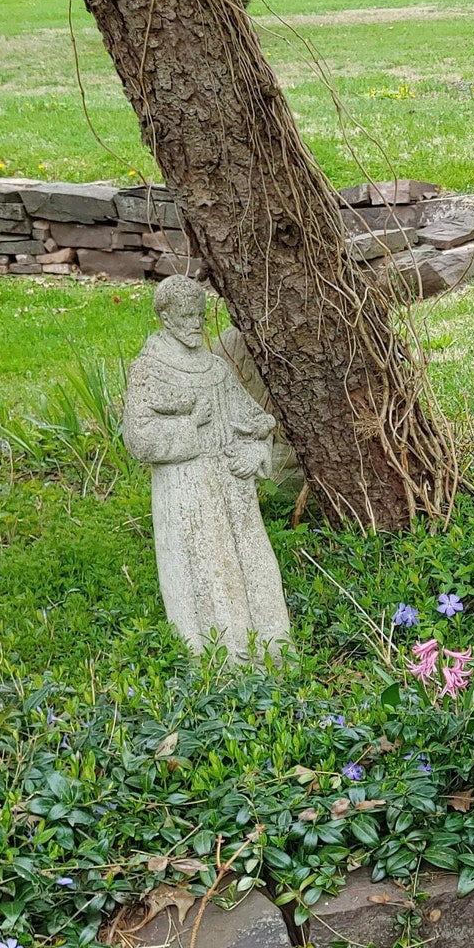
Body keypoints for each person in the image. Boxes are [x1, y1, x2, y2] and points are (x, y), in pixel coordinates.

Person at [122, 275, 291, 660]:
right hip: (187, 490)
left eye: (200, 315)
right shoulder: (151, 371)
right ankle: (225, 666)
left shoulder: (215, 369)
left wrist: (256, 454)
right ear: (165, 318)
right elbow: (139, 438)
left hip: (235, 489)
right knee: (212, 573)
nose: (197, 323)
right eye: (186, 316)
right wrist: (191, 425)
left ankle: (276, 656)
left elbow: (257, 422)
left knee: (254, 567)